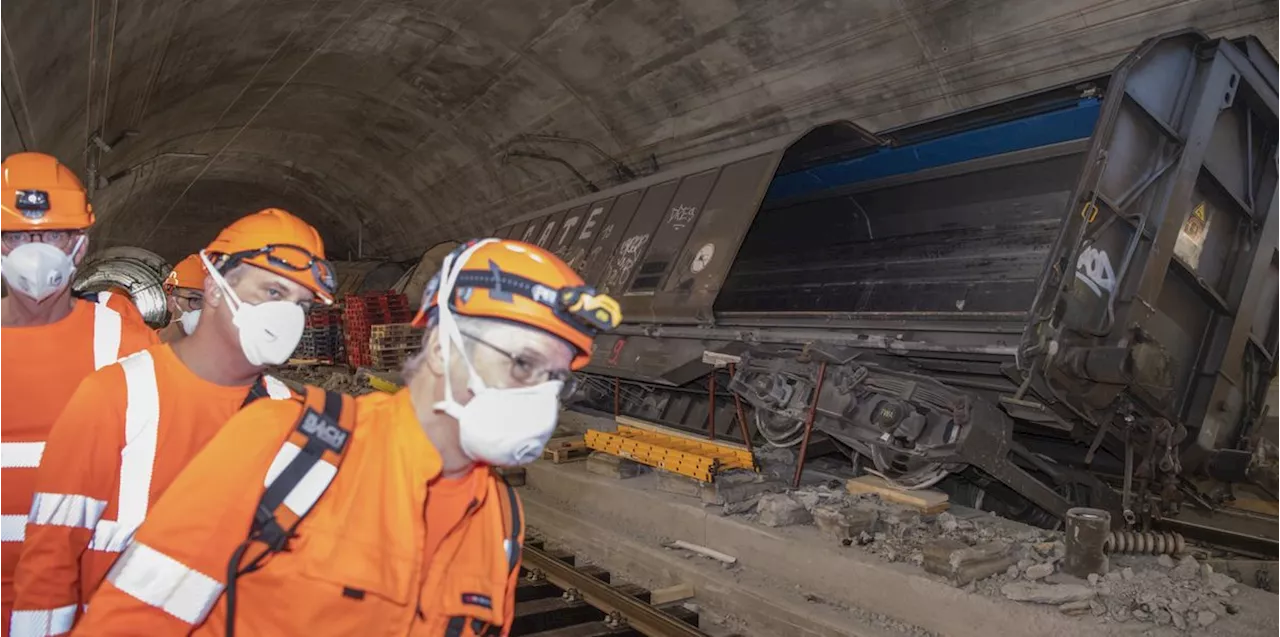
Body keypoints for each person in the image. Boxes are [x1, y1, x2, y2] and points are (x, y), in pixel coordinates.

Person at [73, 238, 622, 636]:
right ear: (441, 346)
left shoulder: (499, 519)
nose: (540, 399)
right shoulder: (288, 447)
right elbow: (133, 617)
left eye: (556, 379)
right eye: (524, 364)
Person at [10, 208, 336, 636]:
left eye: (302, 304)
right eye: (273, 292)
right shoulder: (116, 395)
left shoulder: (293, 414)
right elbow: (49, 560)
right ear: (217, 288)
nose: (288, 316)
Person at [0, 152, 157, 633]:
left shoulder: (124, 342)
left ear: (79, 247)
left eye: (51, 235)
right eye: (18, 236)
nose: (35, 249)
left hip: (87, 605)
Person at [156, 254, 207, 343]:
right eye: (196, 300)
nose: (206, 311)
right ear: (171, 302)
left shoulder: (224, 356)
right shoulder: (134, 350)